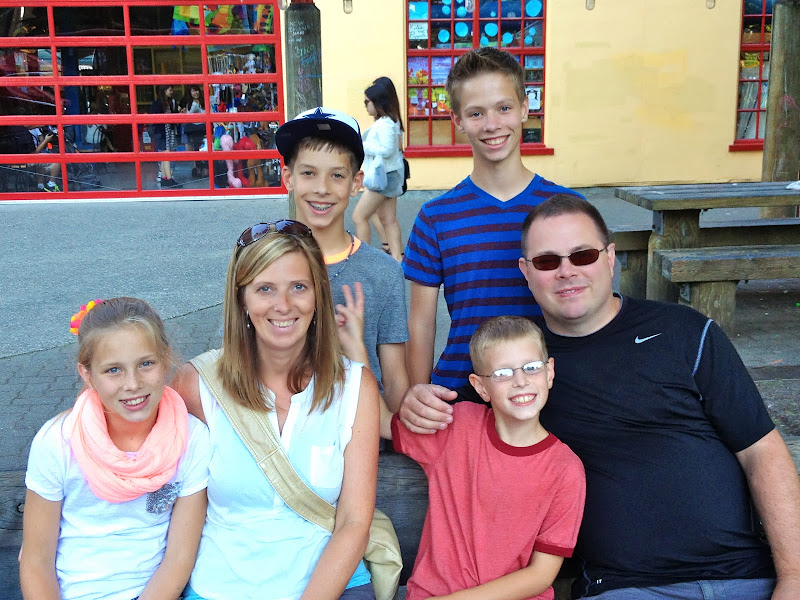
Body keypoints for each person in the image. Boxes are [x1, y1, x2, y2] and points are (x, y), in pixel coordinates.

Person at [399, 194, 800, 600]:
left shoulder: (684, 331)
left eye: (583, 255)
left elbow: (761, 450)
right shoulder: (523, 368)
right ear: (526, 272)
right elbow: (433, 415)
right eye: (547, 261)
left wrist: (795, 578)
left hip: (743, 577)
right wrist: (416, 401)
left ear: (609, 258)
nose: (566, 271)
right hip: (625, 588)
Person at [171, 219, 380, 600]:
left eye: (298, 287)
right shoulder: (197, 385)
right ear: (242, 299)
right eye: (264, 289)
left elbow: (353, 522)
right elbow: (178, 515)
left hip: (329, 585)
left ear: (318, 295)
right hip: (219, 587)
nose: (283, 305)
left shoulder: (354, 387)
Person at [402, 48, 582, 393]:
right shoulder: (435, 217)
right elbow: (421, 322)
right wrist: (420, 391)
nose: (491, 124)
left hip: (549, 390)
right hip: (462, 389)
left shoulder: (567, 208)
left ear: (525, 108)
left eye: (504, 108)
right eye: (476, 113)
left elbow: (590, 305)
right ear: (457, 120)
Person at [381, 316, 585, 600]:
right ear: (480, 387)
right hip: (433, 592)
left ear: (549, 372)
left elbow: (541, 575)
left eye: (531, 367)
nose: (521, 381)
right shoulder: (456, 425)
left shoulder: (566, 469)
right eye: (502, 373)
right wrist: (355, 351)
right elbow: (381, 423)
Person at [20, 297, 210, 600]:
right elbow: (35, 560)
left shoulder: (192, 438)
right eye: (113, 370)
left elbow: (179, 557)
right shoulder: (58, 442)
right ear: (87, 375)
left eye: (146, 364)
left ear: (165, 360)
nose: (132, 384)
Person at [276, 106, 410, 412]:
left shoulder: (385, 272)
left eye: (337, 175)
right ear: (288, 177)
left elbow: (395, 381)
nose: (322, 188)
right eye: (308, 173)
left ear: (356, 182)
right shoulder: (263, 264)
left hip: (363, 426)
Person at [352, 79, 405, 262]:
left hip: (384, 177)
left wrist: (362, 145)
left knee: (359, 216)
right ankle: (397, 260)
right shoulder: (387, 121)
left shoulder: (386, 124)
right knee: (389, 220)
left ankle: (363, 259)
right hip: (389, 175)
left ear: (378, 103)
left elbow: (389, 150)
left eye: (367, 102)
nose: (366, 106)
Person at [150, 84, 183, 188]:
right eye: (170, 90)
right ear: (164, 91)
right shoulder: (157, 104)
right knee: (166, 154)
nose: (172, 92)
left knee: (165, 155)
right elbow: (154, 119)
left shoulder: (170, 102)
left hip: (168, 130)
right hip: (162, 131)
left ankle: (164, 178)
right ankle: (169, 178)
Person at [179, 85, 208, 179]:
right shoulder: (190, 103)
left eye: (196, 90)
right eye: (193, 91)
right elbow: (189, 114)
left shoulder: (204, 101)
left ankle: (205, 168)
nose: (196, 93)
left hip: (204, 127)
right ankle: (198, 168)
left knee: (205, 148)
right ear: (190, 93)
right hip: (194, 129)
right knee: (197, 148)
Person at [32, 126, 62, 192]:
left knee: (44, 161)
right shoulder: (25, 132)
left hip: (41, 153)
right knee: (57, 159)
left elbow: (42, 142)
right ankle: (51, 184)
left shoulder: (36, 129)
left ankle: (40, 186)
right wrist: (46, 140)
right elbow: (35, 152)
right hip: (29, 157)